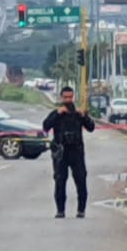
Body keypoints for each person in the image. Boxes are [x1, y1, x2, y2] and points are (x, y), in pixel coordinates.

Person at [41, 86, 95, 219]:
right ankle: (60, 210)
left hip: (76, 151)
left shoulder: (78, 113)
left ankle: (81, 210)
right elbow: (46, 126)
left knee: (81, 180)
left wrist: (84, 116)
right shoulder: (57, 114)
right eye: (65, 97)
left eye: (70, 97)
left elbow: (91, 128)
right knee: (60, 181)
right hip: (61, 152)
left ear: (73, 97)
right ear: (61, 98)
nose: (68, 100)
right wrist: (57, 113)